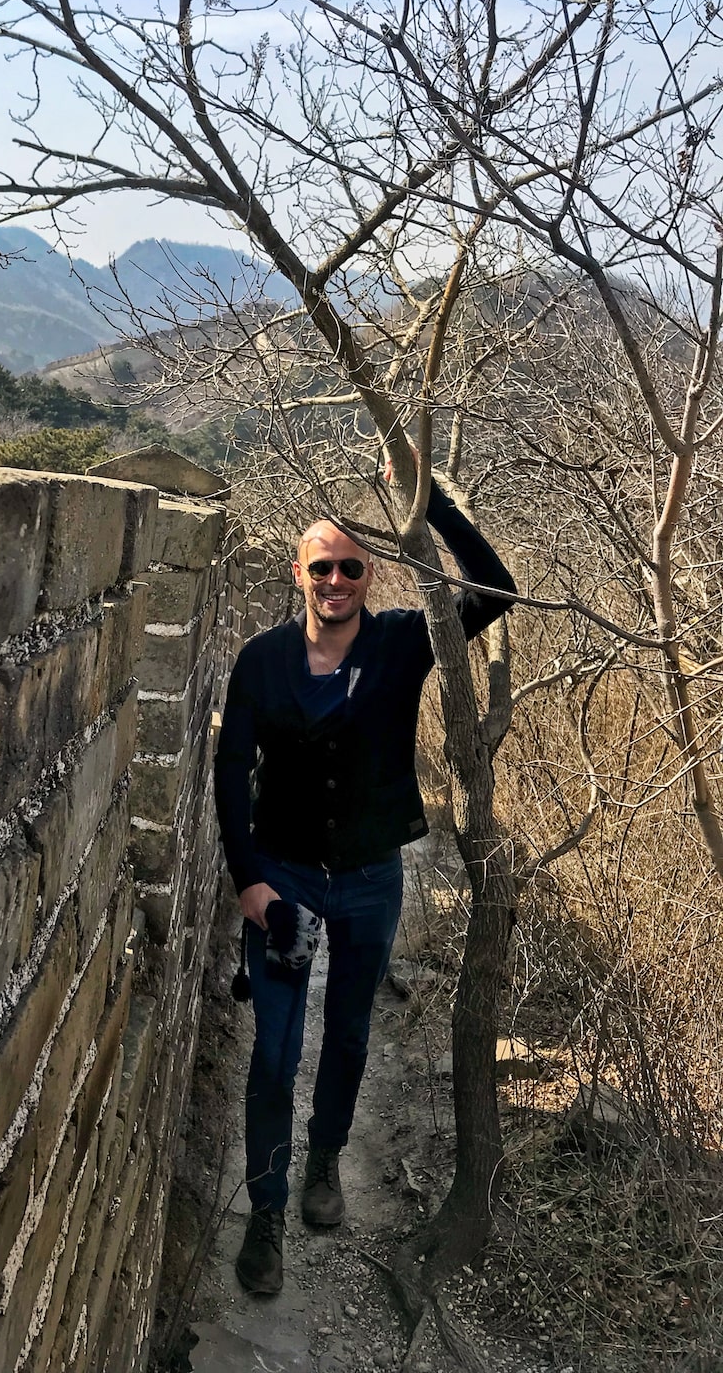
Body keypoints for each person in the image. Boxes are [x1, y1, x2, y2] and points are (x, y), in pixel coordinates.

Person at [214, 474, 516, 1295]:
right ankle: (267, 1211)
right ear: (297, 573)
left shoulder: (401, 644)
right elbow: (230, 766)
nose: (336, 583)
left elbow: (495, 589)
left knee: (348, 1034)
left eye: (350, 568)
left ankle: (325, 1163)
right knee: (274, 1055)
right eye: (322, 569)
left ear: (369, 576)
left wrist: (432, 502)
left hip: (371, 879)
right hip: (281, 877)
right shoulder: (264, 661)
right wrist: (250, 884)